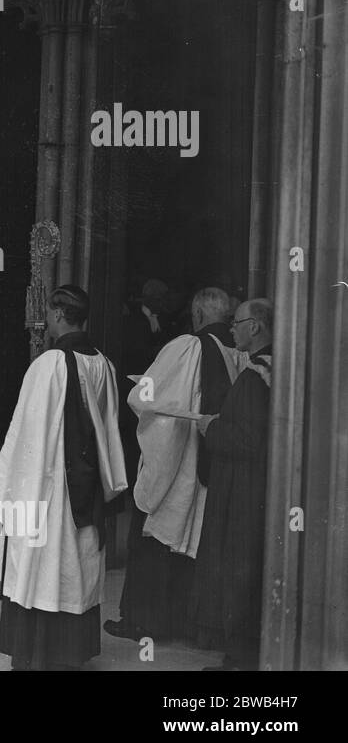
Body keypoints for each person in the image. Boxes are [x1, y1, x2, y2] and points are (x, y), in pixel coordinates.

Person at [0, 284, 127, 670]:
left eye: (50, 313)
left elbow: (27, 433)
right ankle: (69, 653)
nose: (47, 319)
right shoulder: (103, 363)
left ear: (59, 315)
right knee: (74, 568)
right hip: (85, 485)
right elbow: (108, 430)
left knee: (42, 565)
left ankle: (35, 652)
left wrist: (14, 487)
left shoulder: (48, 364)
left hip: (47, 483)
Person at [107, 287, 241, 642]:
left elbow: (145, 395)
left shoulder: (188, 346)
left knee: (155, 534)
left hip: (182, 461)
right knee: (190, 546)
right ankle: (185, 623)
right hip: (212, 466)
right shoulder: (239, 351)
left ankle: (143, 623)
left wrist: (141, 393)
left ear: (197, 316)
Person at [189, 298, 274, 671]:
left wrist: (212, 427)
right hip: (251, 488)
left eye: (236, 323)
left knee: (240, 567)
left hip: (245, 491)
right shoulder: (268, 368)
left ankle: (240, 659)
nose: (231, 329)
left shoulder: (257, 375)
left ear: (255, 326)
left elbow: (250, 440)